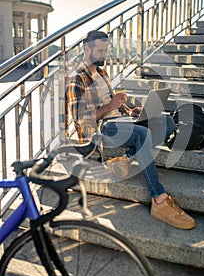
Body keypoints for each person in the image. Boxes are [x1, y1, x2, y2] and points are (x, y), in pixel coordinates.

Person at [66, 30, 195, 230]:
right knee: (144, 134)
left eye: (106, 50)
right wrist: (111, 107)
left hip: (118, 123)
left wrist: (129, 110)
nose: (104, 55)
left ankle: (125, 159)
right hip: (100, 131)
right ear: (87, 49)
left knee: (167, 122)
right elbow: (80, 119)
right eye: (100, 50)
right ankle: (158, 199)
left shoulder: (101, 72)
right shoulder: (77, 79)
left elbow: (111, 105)